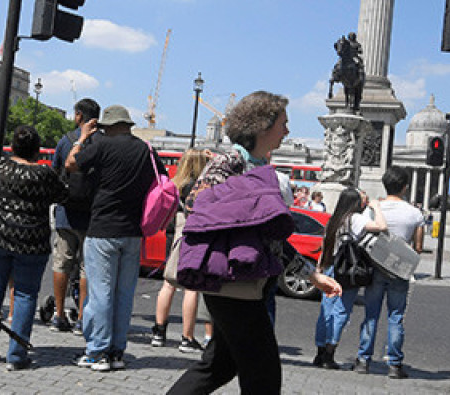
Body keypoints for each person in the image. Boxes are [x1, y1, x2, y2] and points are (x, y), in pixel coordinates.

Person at [168, 92, 339, 395]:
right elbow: (195, 204)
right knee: (264, 377)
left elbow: (270, 237)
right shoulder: (230, 162)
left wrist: (311, 274)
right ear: (262, 126)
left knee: (220, 365)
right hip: (233, 283)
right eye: (283, 123)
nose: (287, 131)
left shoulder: (259, 167)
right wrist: (249, 204)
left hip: (244, 283)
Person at [66, 104, 162, 372]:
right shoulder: (145, 149)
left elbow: (71, 164)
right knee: (123, 294)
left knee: (100, 294)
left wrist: (83, 137)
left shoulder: (103, 145)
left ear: (107, 126)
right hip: (133, 232)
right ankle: (117, 352)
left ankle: (97, 352)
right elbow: (161, 180)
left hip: (103, 228)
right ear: (128, 125)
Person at [0, 125, 67, 371]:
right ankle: (17, 354)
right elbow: (64, 195)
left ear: (13, 147)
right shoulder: (45, 174)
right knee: (25, 295)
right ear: (36, 151)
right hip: (31, 242)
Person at [354, 166, 424, 379]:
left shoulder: (373, 209)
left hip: (375, 266)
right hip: (399, 270)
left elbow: (363, 233)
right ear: (405, 187)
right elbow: (419, 247)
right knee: (395, 317)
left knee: (371, 315)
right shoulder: (415, 213)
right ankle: (394, 364)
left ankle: (363, 360)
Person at [312, 188, 386, 369]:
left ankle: (320, 353)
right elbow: (381, 226)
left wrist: (319, 269)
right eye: (361, 200)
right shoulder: (355, 218)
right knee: (341, 312)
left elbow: (325, 245)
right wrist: (376, 207)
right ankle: (330, 353)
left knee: (325, 311)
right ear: (354, 203)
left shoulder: (333, 220)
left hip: (328, 268)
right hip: (345, 272)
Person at [48, 98, 100, 333]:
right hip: (92, 214)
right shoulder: (103, 143)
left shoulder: (66, 141)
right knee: (86, 268)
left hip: (66, 213)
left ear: (79, 116)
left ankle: (58, 314)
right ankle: (81, 317)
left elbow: (56, 170)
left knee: (62, 263)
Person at [152, 147, 211, 353]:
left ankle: (159, 332)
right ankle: (187, 338)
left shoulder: (175, 185)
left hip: (174, 236)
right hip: (193, 236)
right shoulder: (202, 188)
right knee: (191, 288)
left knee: (168, 284)